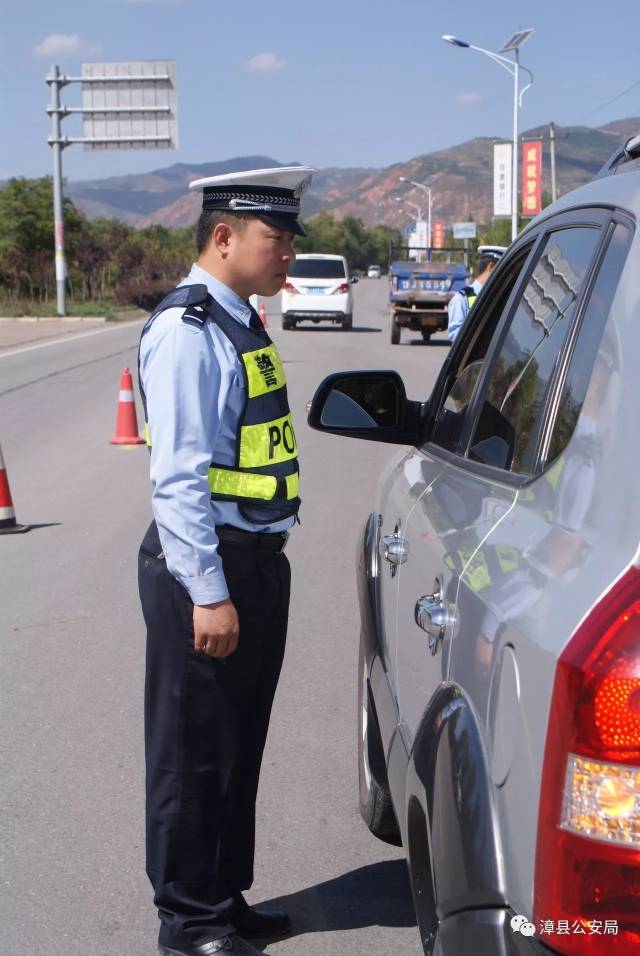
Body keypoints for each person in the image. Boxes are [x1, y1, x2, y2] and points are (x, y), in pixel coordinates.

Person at [137, 165, 314, 956]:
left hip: (255, 561)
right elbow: (177, 480)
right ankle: (188, 919)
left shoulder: (242, 322)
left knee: (238, 743)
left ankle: (224, 894)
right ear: (224, 237)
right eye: (276, 239)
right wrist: (208, 592)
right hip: (204, 567)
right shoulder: (190, 330)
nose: (287, 255)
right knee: (192, 753)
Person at [447, 245, 506, 344]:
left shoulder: (499, 298)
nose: (503, 275)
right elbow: (455, 335)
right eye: (502, 270)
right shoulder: (463, 298)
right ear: (490, 267)